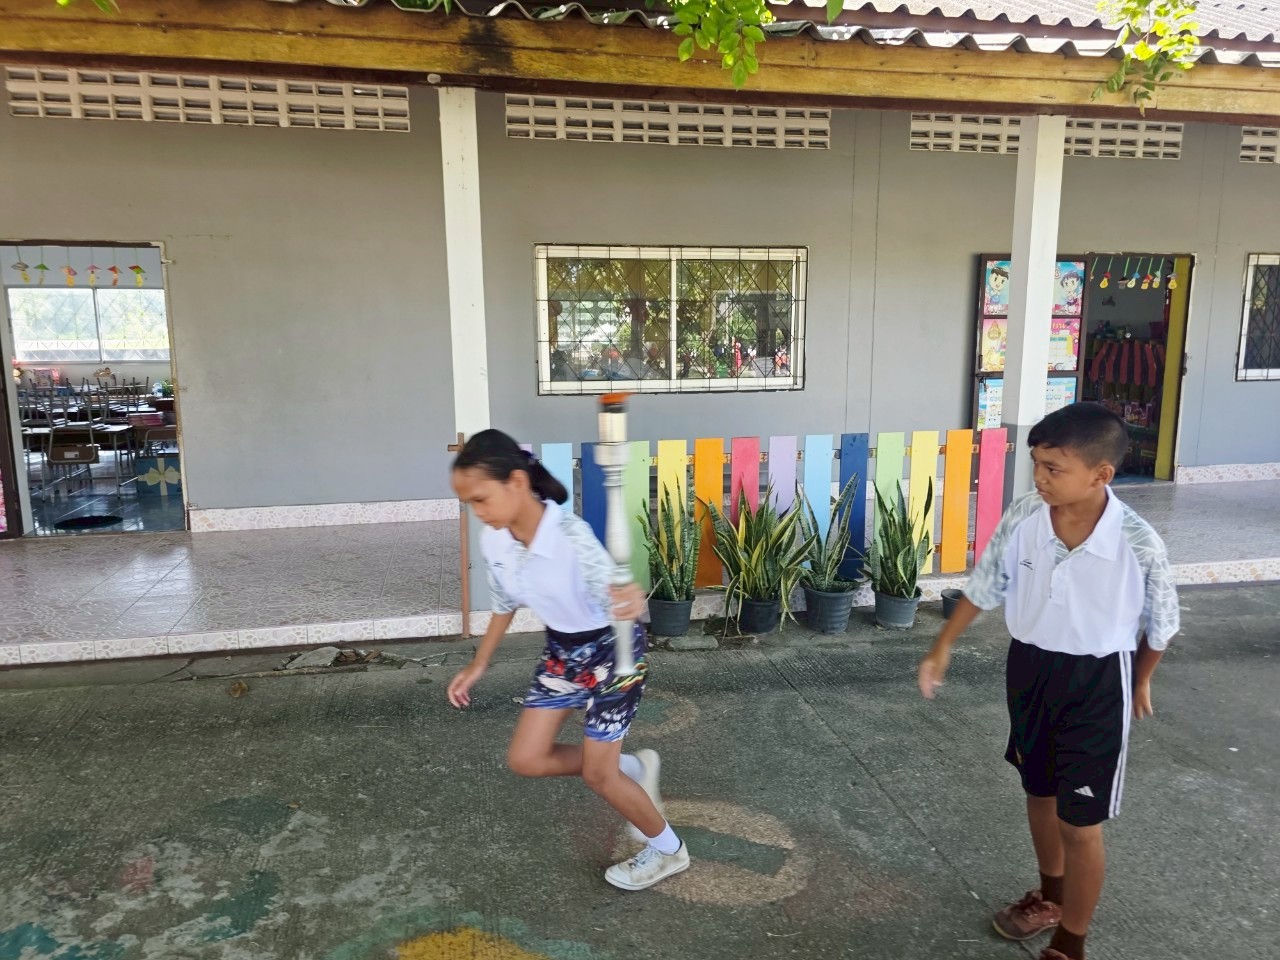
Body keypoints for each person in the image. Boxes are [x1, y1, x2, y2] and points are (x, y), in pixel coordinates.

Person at [917, 403, 1179, 960]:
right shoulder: (1025, 515)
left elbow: (1161, 624)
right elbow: (986, 584)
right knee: (1037, 790)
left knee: (1079, 822)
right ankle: (1051, 897)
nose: (1040, 477)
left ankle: (1071, 941)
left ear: (1101, 474)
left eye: (1054, 468)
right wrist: (942, 645)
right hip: (1031, 668)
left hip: (1098, 681)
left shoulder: (1137, 541)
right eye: (1036, 463)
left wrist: (1141, 680)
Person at [448, 429, 689, 891]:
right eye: (469, 504)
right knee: (527, 758)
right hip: (562, 652)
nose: (477, 512)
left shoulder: (571, 537)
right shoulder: (494, 540)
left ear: (517, 482)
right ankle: (634, 770)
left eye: (480, 499)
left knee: (600, 775)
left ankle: (669, 851)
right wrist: (479, 664)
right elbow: (503, 603)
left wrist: (629, 596)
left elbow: (616, 589)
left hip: (613, 652)